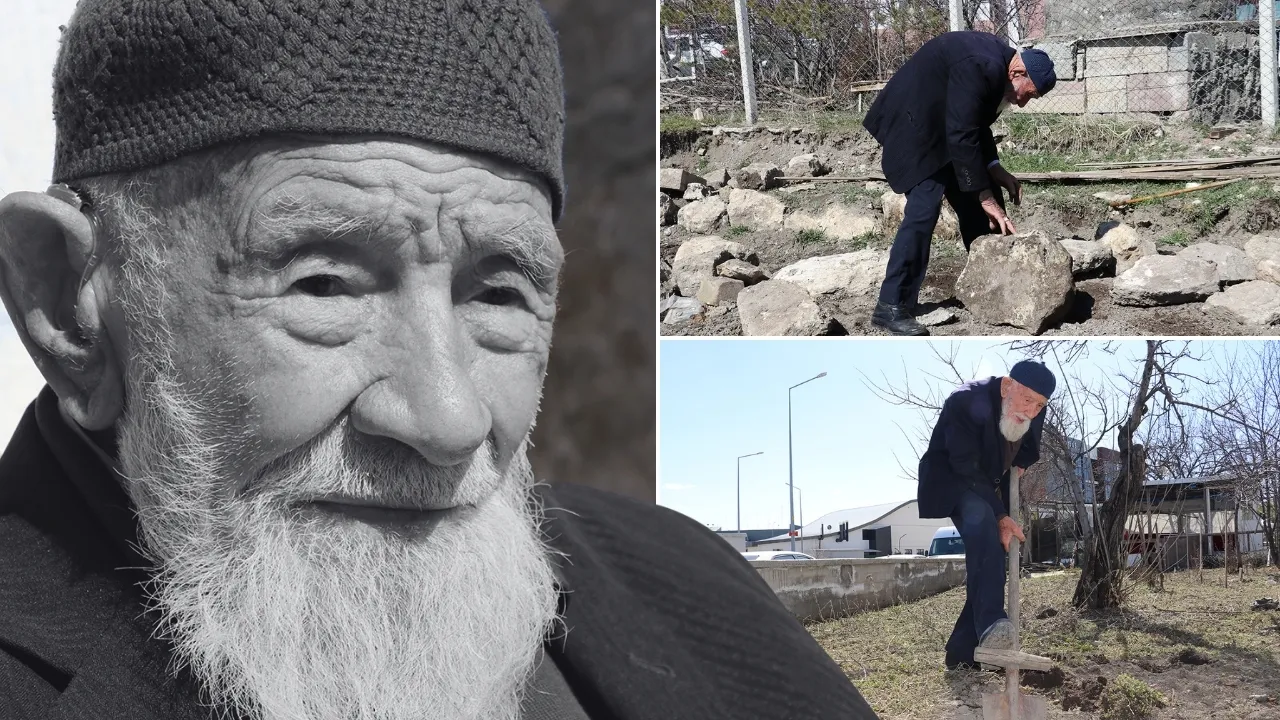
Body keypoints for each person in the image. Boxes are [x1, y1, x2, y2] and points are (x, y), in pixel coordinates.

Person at [0, 2, 878, 719]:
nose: (449, 421)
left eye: (497, 294)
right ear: (70, 305)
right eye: (325, 284)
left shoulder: (682, 572)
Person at [863, 32, 1057, 336]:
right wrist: (984, 194)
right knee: (925, 208)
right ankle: (891, 305)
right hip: (915, 124)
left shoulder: (999, 69)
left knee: (984, 200)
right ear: (1018, 73)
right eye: (1027, 94)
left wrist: (995, 170)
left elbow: (972, 121)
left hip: (943, 125)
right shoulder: (982, 66)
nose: (1022, 103)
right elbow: (963, 133)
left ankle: (992, 285)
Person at [916, 360, 1056, 671]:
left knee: (989, 561)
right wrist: (1001, 515)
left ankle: (961, 653)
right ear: (1007, 386)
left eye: (1040, 405)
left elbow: (1030, 448)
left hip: (988, 485)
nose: (1032, 411)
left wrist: (1021, 463)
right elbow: (965, 466)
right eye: (1027, 400)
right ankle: (993, 622)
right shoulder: (965, 401)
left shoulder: (1033, 405)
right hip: (952, 478)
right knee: (982, 522)